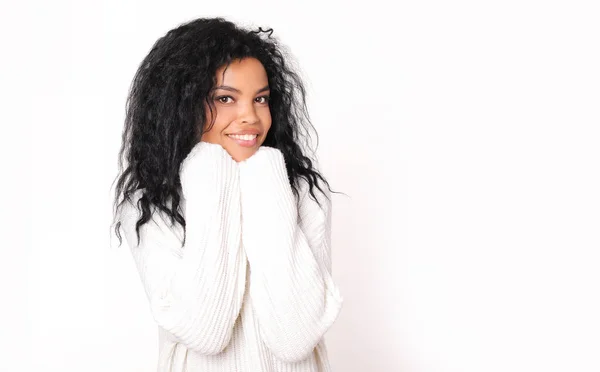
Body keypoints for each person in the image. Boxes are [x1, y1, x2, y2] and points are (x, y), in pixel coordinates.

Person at [111, 17, 344, 372]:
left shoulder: (303, 195)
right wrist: (209, 169)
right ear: (182, 104)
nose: (250, 116)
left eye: (261, 99)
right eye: (225, 98)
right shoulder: (152, 206)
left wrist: (266, 174)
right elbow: (205, 331)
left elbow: (296, 336)